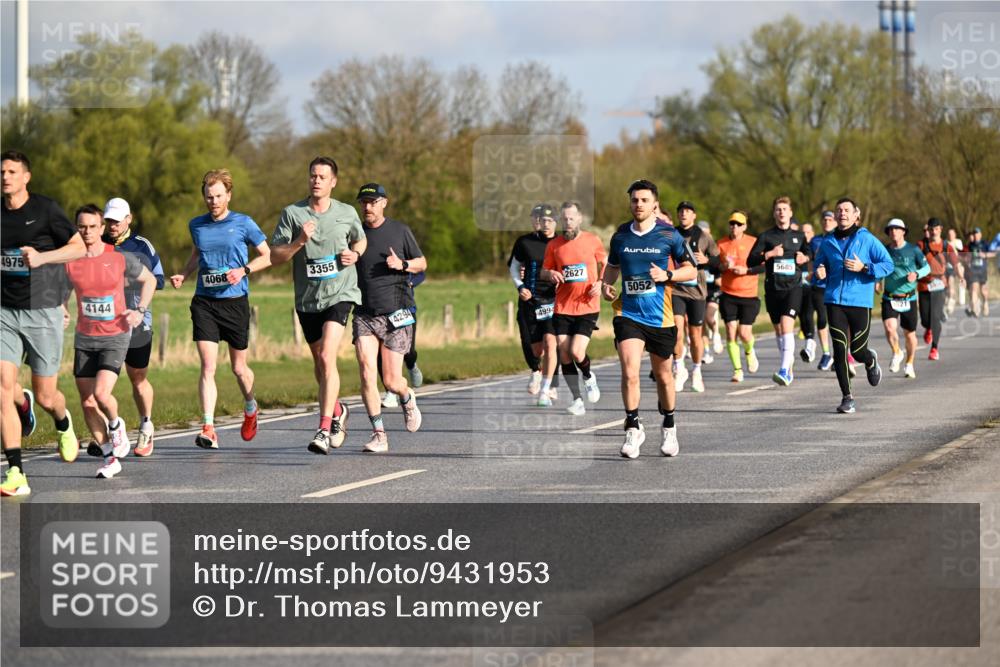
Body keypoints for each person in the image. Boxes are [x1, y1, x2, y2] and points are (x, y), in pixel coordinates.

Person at [1, 151, 85, 497]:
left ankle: (63, 423)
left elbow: (79, 248)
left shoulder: (46, 210)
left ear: (26, 177)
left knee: (48, 395)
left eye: (12, 171)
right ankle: (16, 472)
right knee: (2, 387)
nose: (5, 177)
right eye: (1, 171)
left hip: (42, 309)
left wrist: (43, 257)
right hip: (4, 310)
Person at [270, 157, 366, 454]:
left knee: (327, 356)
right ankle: (337, 410)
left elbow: (360, 241)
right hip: (308, 299)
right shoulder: (292, 213)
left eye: (323, 176)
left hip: (341, 293)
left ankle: (323, 428)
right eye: (313, 175)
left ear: (333, 181)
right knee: (320, 364)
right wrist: (299, 241)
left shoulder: (347, 212)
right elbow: (276, 256)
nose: (317, 180)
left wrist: (355, 255)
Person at [169, 169, 271, 449]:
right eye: (208, 196)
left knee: (239, 368)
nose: (213, 201)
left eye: (218, 196)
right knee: (208, 366)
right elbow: (197, 254)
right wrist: (185, 274)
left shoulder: (243, 223)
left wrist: (244, 270)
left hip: (235, 302)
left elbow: (267, 256)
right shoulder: (196, 225)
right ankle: (208, 427)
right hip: (205, 301)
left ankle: (251, 407)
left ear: (228, 195)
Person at [603, 179, 697, 459]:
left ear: (655, 204)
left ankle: (669, 424)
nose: (638, 204)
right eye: (634, 200)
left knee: (664, 377)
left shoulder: (670, 236)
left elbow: (691, 271)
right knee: (630, 371)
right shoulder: (620, 236)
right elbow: (612, 267)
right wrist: (607, 286)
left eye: (644, 200)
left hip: (660, 316)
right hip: (628, 312)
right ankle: (633, 427)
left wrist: (667, 275)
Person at [64, 205, 157, 478]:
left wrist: (139, 311)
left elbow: (149, 280)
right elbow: (61, 290)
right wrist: (63, 309)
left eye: (93, 227)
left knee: (102, 395)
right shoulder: (72, 261)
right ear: (77, 229)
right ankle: (109, 458)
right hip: (85, 338)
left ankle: (116, 427)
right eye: (82, 227)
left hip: (115, 336)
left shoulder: (118, 258)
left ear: (101, 229)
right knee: (87, 402)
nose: (88, 232)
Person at [353, 183, 426, 453]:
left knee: (391, 381)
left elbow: (422, 263)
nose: (367, 207)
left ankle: (407, 398)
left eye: (372, 202)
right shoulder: (355, 233)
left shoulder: (400, 230)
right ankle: (379, 434)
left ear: (384, 202)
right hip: (364, 313)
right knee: (366, 372)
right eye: (363, 203)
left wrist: (403, 265)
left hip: (396, 312)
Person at [813, 198, 893, 413]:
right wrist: (819, 273)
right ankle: (847, 397)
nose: (842, 214)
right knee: (839, 350)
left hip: (860, 302)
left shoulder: (867, 239)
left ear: (856, 215)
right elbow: (819, 266)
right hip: (834, 302)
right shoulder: (828, 242)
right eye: (839, 210)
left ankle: (870, 359)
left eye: (847, 210)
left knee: (857, 351)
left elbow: (888, 265)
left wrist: (864, 267)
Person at [101, 197, 165, 457]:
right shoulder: (99, 244)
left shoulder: (142, 245)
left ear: (129, 219)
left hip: (138, 320)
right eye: (109, 220)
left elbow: (158, 280)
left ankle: (146, 424)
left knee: (137, 378)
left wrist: (124, 283)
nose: (112, 225)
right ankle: (107, 434)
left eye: (117, 220)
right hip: (105, 321)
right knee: (100, 382)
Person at [542, 202, 606, 416]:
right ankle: (577, 399)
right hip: (563, 305)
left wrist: (601, 283)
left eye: (571, 218)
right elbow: (544, 271)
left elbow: (606, 264)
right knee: (565, 353)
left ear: (579, 219)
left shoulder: (592, 240)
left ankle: (588, 376)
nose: (567, 222)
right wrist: (550, 275)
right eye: (564, 219)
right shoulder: (554, 245)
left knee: (577, 351)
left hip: (587, 304)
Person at [748, 196, 811, 386]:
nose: (781, 212)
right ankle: (788, 360)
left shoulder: (799, 237)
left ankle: (784, 369)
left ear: (790, 213)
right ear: (774, 214)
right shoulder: (766, 236)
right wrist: (770, 254)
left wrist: (804, 258)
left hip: (793, 288)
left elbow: (810, 253)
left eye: (785, 209)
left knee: (786, 326)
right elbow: (750, 260)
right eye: (778, 209)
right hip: (773, 289)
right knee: (778, 330)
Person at [508, 205, 561, 407]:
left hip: (554, 300)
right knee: (535, 348)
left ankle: (550, 386)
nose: (545, 223)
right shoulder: (525, 242)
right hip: (530, 299)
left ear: (556, 222)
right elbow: (513, 267)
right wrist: (520, 286)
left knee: (551, 344)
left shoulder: (562, 243)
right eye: (541, 219)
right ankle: (536, 370)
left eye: (549, 220)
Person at [670, 201, 719, 393]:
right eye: (681, 211)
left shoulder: (703, 236)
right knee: (676, 330)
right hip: (676, 290)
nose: (683, 214)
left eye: (688, 211)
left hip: (697, 292)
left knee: (695, 335)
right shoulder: (671, 234)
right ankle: (679, 367)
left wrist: (707, 260)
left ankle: (697, 371)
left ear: (694, 215)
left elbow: (717, 260)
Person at [879, 218, 929, 379]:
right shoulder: (885, 250)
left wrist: (917, 274)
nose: (893, 232)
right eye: (891, 229)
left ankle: (909, 363)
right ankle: (897, 352)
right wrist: (877, 281)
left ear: (903, 232)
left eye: (897, 229)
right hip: (890, 296)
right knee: (889, 327)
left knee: (910, 335)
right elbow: (879, 267)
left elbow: (926, 267)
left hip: (909, 298)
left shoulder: (913, 250)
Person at [716, 210, 763, 382]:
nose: (735, 227)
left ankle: (749, 351)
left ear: (745, 226)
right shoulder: (721, 243)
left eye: (739, 224)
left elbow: (763, 266)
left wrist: (746, 270)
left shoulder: (753, 242)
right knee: (730, 331)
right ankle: (737, 370)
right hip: (728, 293)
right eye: (732, 223)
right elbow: (716, 268)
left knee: (744, 333)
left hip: (749, 294)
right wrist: (723, 266)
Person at [916, 218, 962, 361]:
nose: (933, 231)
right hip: (924, 285)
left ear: (940, 230)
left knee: (936, 317)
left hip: (940, 285)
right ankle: (928, 329)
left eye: (936, 229)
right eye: (930, 229)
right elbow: (911, 260)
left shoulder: (947, 246)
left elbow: (956, 263)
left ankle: (934, 348)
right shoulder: (920, 245)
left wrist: (961, 277)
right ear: (928, 230)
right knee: (925, 318)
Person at [380, 270, 425, 408]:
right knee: (382, 354)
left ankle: (411, 365)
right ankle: (391, 392)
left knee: (407, 352)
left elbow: (421, 272)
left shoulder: (403, 249)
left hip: (405, 310)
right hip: (381, 311)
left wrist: (411, 283)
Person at [698, 220, 724, 361]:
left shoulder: (714, 252)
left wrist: (715, 277)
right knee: (700, 322)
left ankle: (716, 333)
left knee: (709, 317)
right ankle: (707, 352)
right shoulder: (693, 250)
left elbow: (720, 269)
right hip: (698, 292)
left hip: (713, 291)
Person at [964, 227, 990, 318]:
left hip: (982, 270)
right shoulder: (970, 245)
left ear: (980, 234)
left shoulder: (985, 244)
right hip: (973, 270)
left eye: (977, 233)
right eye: (974, 234)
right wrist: (967, 260)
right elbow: (967, 256)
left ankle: (986, 303)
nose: (975, 235)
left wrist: (985, 255)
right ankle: (975, 308)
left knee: (983, 290)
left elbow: (993, 253)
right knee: (974, 289)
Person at [945, 228, 964, 316]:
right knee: (949, 285)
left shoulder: (958, 242)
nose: (950, 235)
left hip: (956, 265)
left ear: (955, 234)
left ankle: (958, 300)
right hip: (947, 266)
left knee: (956, 282)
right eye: (949, 233)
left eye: (952, 233)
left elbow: (961, 253)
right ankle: (951, 299)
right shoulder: (945, 243)